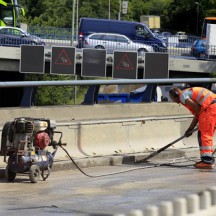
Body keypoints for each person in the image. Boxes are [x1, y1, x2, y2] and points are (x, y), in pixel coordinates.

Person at [169, 86, 216, 169]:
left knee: (204, 135)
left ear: (176, 94)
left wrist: (192, 128)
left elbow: (197, 110)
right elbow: (197, 114)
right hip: (212, 107)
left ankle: (207, 161)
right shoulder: (188, 93)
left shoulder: (183, 96)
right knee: (205, 134)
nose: (173, 101)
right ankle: (207, 159)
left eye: (173, 98)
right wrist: (190, 129)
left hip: (209, 110)